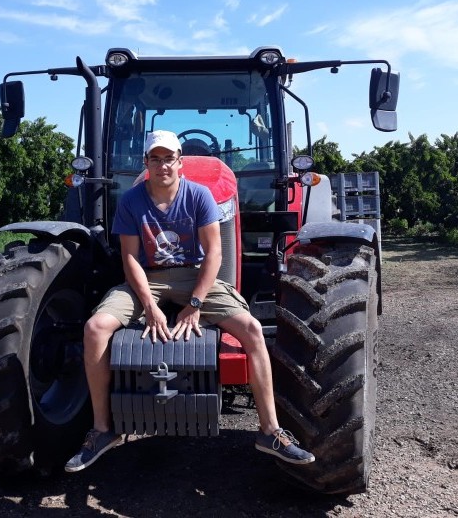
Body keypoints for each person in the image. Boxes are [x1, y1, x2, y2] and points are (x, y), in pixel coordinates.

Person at [65, 130, 315, 472]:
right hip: (148, 279)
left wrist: (195, 304)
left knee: (252, 329)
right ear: (146, 163)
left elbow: (214, 253)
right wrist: (150, 308)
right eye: (156, 158)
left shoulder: (198, 195)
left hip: (195, 275)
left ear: (179, 162)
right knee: (95, 328)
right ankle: (102, 430)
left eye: (169, 158)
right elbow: (131, 259)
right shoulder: (132, 201)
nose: (163, 165)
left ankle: (270, 431)